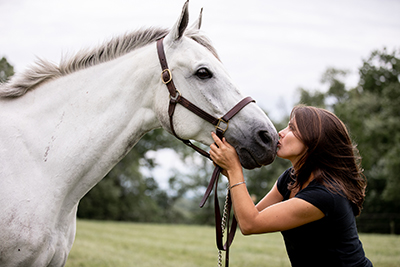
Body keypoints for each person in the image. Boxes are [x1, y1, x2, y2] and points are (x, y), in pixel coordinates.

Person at [209, 105, 373, 267]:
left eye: (292, 129)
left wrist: (234, 170)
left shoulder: (325, 194)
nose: (281, 132)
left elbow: (250, 224)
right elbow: (250, 214)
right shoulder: (290, 177)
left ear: (314, 140)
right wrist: (231, 172)